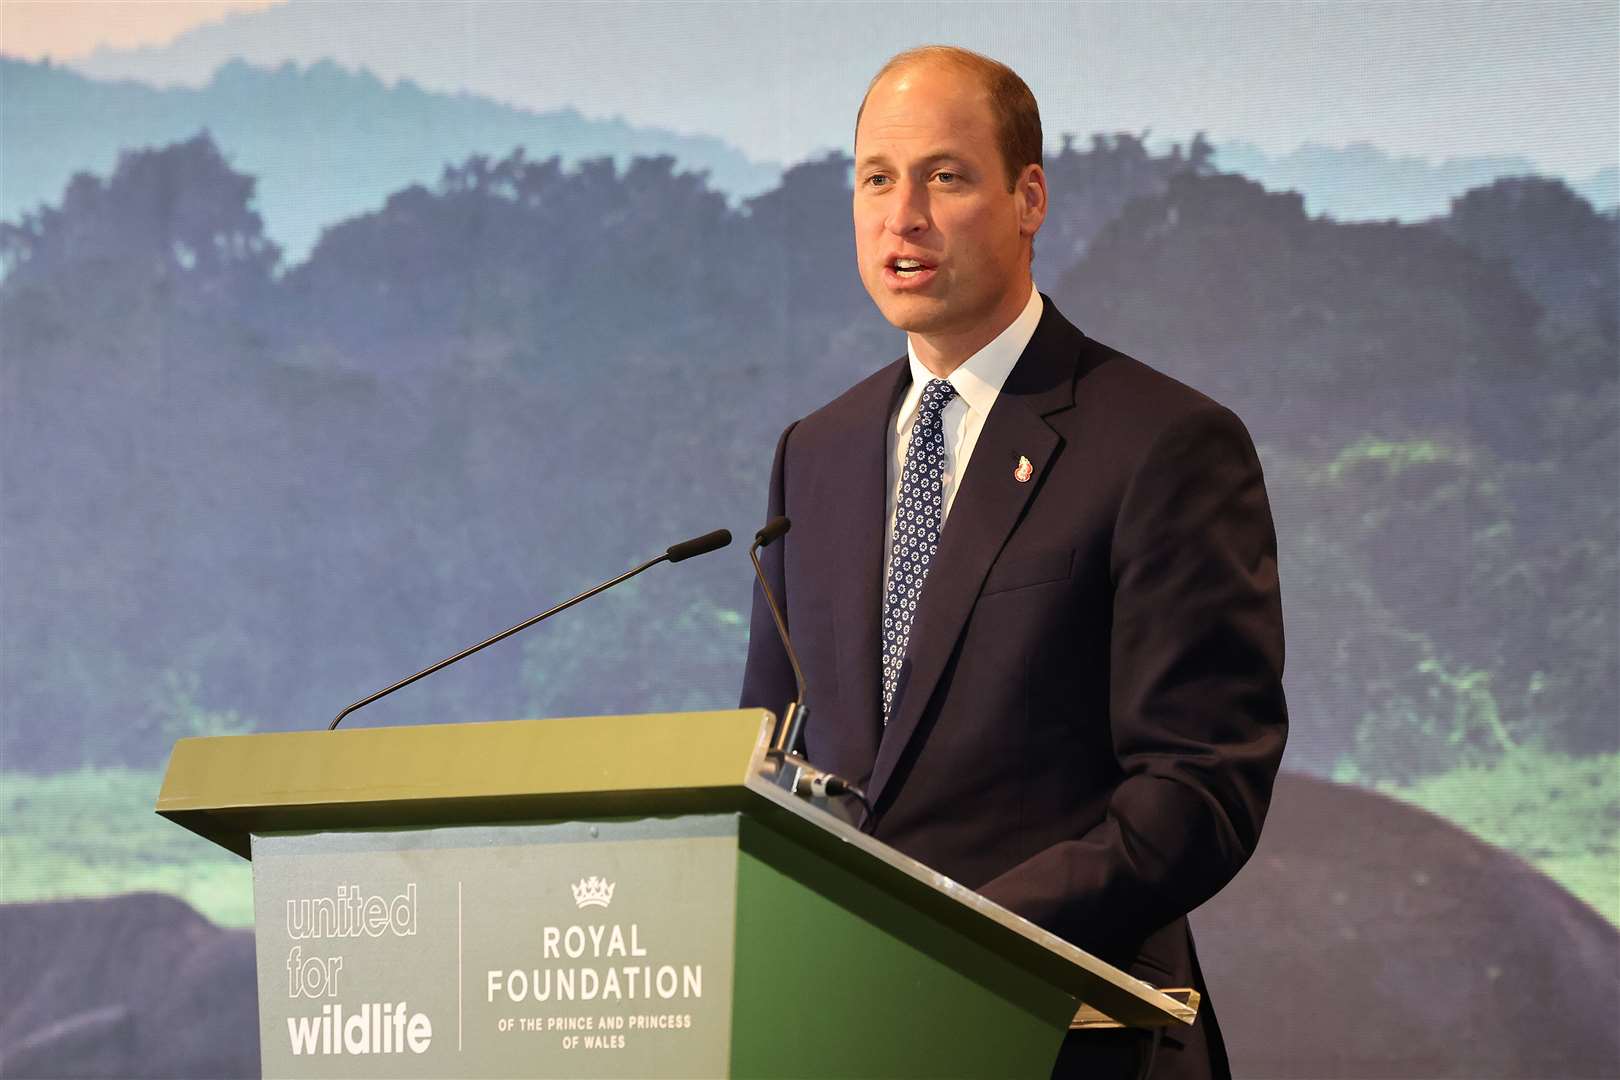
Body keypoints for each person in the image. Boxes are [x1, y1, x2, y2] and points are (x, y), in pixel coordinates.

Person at [740, 45, 1287, 1080]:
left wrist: (958, 927)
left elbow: (1200, 786)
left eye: (944, 177)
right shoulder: (815, 452)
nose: (903, 215)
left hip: (1066, 1037)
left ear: (1028, 197)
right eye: (875, 177)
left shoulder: (1161, 442)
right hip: (842, 1038)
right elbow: (764, 760)